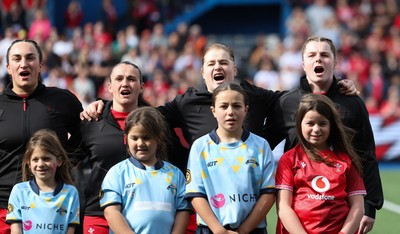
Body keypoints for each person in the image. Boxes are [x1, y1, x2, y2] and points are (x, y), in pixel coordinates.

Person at [81, 43, 358, 233]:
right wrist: (104, 106)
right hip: (206, 218)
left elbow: (298, 100)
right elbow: (146, 119)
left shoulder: (258, 98)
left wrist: (336, 86)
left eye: (224, 62)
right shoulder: (186, 103)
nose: (218, 67)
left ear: (234, 69)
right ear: (203, 72)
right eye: (211, 63)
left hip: (252, 219)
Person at [264, 36, 383, 234]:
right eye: (312, 55)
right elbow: (261, 145)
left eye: (325, 55)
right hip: (298, 218)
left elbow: (367, 154)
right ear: (303, 63)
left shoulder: (353, 103)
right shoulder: (286, 103)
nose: (318, 59)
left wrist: (370, 206)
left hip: (342, 214)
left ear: (335, 63)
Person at [0, 39, 83, 232]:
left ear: (40, 65)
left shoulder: (63, 100)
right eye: (17, 58)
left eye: (30, 58)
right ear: (8, 67)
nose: (24, 63)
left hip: (53, 205)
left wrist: (65, 160)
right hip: (3, 205)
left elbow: (86, 135)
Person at [186, 83, 276, 233]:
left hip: (252, 230)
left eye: (236, 106)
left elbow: (268, 193)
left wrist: (244, 230)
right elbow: (196, 194)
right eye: (224, 106)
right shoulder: (200, 146)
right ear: (213, 111)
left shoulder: (260, 145)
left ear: (245, 110)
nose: (230, 112)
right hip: (211, 230)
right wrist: (218, 230)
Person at [275, 93, 366, 234]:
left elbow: (358, 206)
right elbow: (283, 207)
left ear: (331, 126)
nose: (316, 129)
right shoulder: (289, 159)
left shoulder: (347, 159)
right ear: (299, 124)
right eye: (310, 123)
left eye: (322, 123)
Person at [80, 61, 150, 234]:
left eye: (131, 79)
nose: (125, 83)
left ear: (141, 87)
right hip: (98, 213)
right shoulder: (92, 121)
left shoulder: (154, 122)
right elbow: (69, 162)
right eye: (119, 79)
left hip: (143, 212)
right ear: (110, 87)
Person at [99, 106, 190, 233]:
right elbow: (111, 213)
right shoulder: (117, 173)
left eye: (146, 138)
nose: (140, 143)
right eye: (134, 138)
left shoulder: (175, 174)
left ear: (159, 137)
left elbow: (183, 212)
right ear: (126, 138)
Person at [6, 129, 80, 234]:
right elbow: (16, 230)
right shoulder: (19, 191)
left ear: (59, 161)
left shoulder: (71, 193)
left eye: (46, 159)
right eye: (35, 159)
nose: (40, 164)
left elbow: (70, 230)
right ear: (28, 162)